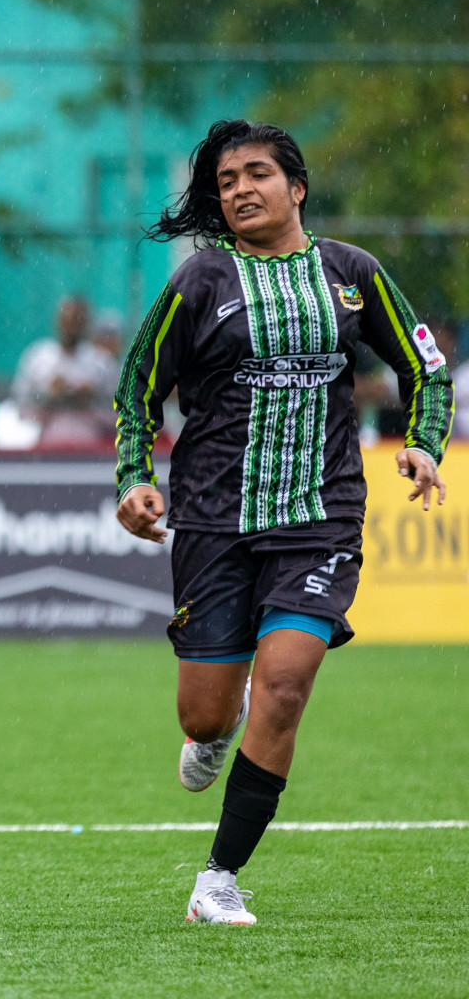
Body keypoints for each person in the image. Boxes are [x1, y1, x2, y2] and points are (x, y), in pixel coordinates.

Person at [115, 119, 452, 925]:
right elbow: (136, 389)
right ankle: (211, 728)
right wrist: (135, 477)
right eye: (226, 182)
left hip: (321, 516)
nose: (239, 190)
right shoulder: (200, 281)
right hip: (213, 519)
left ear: (296, 187)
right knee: (204, 712)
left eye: (256, 174)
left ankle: (218, 879)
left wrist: (423, 443)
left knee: (289, 684)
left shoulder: (353, 275)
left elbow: (424, 370)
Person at [13, 296, 117, 447]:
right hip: (49, 446)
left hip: (92, 448)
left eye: (76, 320)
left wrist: (90, 400)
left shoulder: (102, 363)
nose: (70, 327)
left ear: (86, 323)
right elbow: (20, 408)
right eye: (67, 320)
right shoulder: (38, 358)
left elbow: (120, 414)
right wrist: (48, 396)